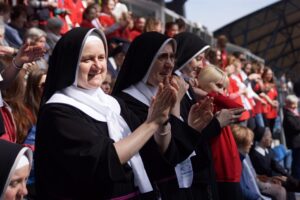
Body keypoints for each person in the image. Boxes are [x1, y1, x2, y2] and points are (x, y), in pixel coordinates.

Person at [34, 27, 178, 199]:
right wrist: (151, 123)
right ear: (70, 63)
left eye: (101, 57)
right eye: (87, 59)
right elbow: (105, 160)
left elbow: (152, 148)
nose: (97, 66)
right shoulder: (58, 111)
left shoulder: (114, 104)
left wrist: (162, 123)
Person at [196, 65, 245, 200]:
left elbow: (240, 110)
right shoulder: (203, 105)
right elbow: (239, 109)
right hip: (221, 171)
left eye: (224, 88)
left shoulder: (217, 102)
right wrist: (210, 95)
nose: (223, 92)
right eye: (218, 86)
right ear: (204, 83)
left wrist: (210, 93)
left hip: (230, 170)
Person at [231, 125, 279, 200]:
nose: (252, 144)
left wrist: (267, 180)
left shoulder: (245, 157)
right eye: (249, 141)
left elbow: (253, 176)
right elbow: (241, 189)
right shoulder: (235, 162)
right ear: (241, 143)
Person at [283, 94, 300, 179]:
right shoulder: (288, 114)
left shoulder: (294, 112)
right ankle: (296, 179)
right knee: (296, 163)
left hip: (297, 141)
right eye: (294, 104)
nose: (296, 106)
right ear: (289, 104)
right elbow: (296, 127)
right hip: (295, 143)